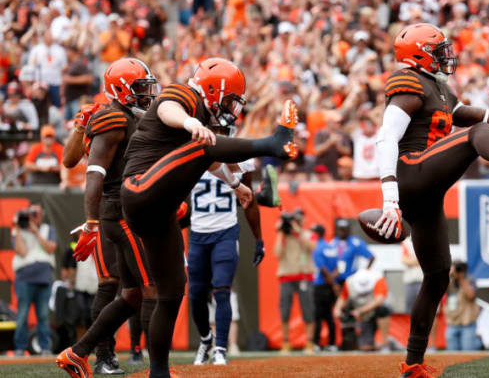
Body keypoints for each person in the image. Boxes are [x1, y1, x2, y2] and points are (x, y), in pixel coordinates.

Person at [371, 23, 489, 376]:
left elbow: (483, 116)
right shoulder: (408, 84)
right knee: (476, 137)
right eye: (438, 50)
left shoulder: (437, 87)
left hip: (426, 191)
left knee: (438, 276)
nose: (445, 56)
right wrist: (389, 198)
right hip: (411, 173)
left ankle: (412, 363)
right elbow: (386, 139)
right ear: (419, 54)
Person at [117, 57, 296, 378]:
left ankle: (158, 372)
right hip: (139, 187)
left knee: (172, 291)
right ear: (214, 90)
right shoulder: (186, 96)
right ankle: (273, 143)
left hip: (159, 209)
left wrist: (237, 185)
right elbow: (166, 109)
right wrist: (189, 123)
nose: (232, 107)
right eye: (230, 99)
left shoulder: (203, 122)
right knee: (204, 144)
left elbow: (209, 162)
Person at [57, 58, 160, 377]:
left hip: (119, 209)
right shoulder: (109, 117)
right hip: (109, 212)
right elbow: (72, 161)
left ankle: (91, 352)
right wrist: (78, 127)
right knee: (110, 285)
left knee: (131, 290)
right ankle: (104, 356)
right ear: (122, 89)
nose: (147, 92)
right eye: (140, 86)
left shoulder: (127, 116)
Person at [189, 150, 263, 366]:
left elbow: (249, 200)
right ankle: (206, 340)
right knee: (195, 295)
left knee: (222, 290)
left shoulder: (242, 159)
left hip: (226, 232)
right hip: (198, 233)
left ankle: (220, 348)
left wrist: (259, 238)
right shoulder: (194, 153)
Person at [12, 204, 57, 356]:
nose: (34, 216)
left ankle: (45, 347)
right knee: (22, 314)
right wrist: (17, 228)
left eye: (36, 213)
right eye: (31, 213)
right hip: (24, 278)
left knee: (43, 315)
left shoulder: (47, 229)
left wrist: (36, 232)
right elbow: (21, 252)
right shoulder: (19, 230)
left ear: (41, 215)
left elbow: (50, 248)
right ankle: (20, 348)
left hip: (44, 278)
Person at [275, 210, 316, 354]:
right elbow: (277, 253)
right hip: (286, 276)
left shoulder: (307, 233)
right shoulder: (284, 235)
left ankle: (309, 343)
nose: (296, 221)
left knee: (308, 311)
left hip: (304, 276)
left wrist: (298, 232)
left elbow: (311, 247)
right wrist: (281, 232)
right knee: (284, 311)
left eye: (298, 219)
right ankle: (286, 343)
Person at [333, 267, 392, 352]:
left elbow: (379, 300)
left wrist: (361, 311)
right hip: (362, 317)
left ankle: (385, 343)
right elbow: (343, 298)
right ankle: (370, 342)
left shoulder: (378, 279)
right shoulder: (349, 281)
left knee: (382, 310)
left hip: (374, 312)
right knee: (365, 347)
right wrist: (337, 310)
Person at [311, 224, 340, 351]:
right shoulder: (331, 247)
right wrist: (333, 282)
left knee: (318, 315)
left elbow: (322, 269)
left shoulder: (317, 247)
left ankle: (316, 343)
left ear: (317, 234)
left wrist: (330, 282)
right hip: (329, 286)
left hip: (320, 285)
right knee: (329, 315)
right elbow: (338, 268)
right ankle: (332, 343)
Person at [444, 262, 481, 351]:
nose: (458, 272)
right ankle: (477, 342)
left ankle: (478, 342)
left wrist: (461, 279)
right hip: (452, 323)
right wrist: (448, 275)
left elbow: (471, 295)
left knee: (468, 352)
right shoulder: (449, 281)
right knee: (452, 355)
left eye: (459, 269)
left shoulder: (470, 280)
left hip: (467, 324)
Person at [334, 218, 375, 284]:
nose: (342, 232)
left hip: (351, 279)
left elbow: (371, 257)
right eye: (340, 229)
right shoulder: (333, 242)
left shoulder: (355, 243)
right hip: (336, 279)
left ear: (348, 230)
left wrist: (364, 272)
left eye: (344, 229)